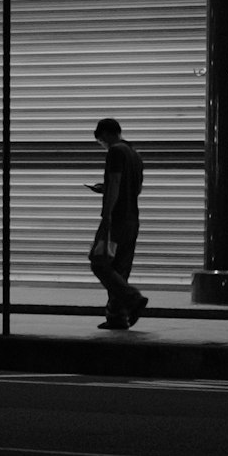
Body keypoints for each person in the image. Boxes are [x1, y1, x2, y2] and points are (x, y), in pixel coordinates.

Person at [87, 117, 148, 330]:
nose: (103, 146)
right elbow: (136, 188)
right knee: (120, 269)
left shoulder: (116, 151)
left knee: (99, 262)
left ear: (105, 135)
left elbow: (115, 182)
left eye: (101, 142)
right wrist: (105, 188)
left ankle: (133, 298)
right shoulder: (135, 155)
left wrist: (107, 215)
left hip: (117, 219)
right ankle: (117, 317)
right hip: (133, 219)